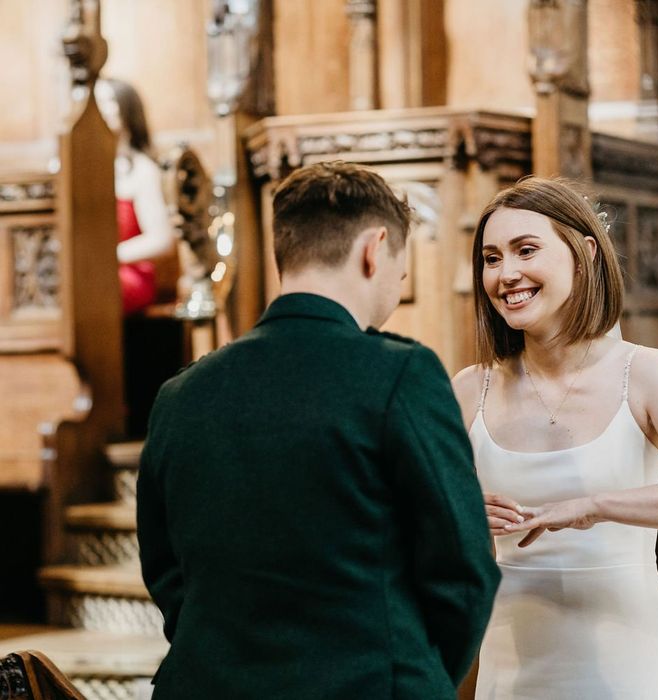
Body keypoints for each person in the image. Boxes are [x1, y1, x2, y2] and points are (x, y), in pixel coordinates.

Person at [137, 161, 500, 699]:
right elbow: (464, 569)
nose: (397, 287)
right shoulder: (400, 373)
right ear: (375, 249)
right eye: (401, 273)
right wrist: (411, 675)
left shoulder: (180, 395)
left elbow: (165, 569)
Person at [452, 177, 658, 699]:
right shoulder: (468, 388)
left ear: (584, 253)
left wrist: (595, 505)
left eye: (526, 250)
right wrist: (457, 515)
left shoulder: (643, 373)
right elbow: (412, 516)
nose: (506, 274)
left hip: (632, 666)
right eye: (490, 257)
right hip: (513, 667)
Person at [95, 78, 174, 314]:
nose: (98, 108)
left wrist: (108, 256)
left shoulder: (142, 169)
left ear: (125, 108)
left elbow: (162, 240)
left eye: (107, 101)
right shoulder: (88, 169)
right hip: (96, 272)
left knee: (95, 288)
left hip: (129, 275)